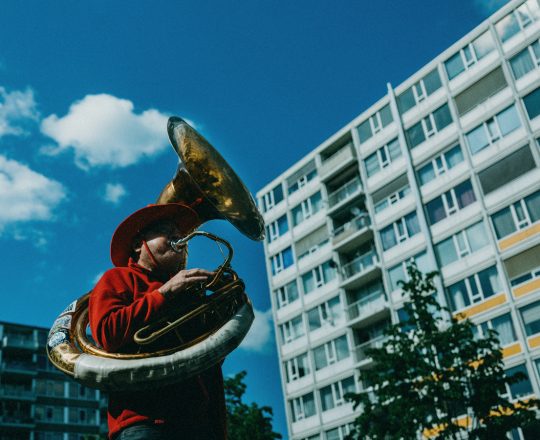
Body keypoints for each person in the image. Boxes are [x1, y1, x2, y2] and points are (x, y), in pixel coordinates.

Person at [89, 203, 227, 440]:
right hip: (145, 423)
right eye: (166, 230)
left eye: (182, 235)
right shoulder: (118, 278)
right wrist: (165, 293)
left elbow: (208, 359)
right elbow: (107, 333)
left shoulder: (190, 292)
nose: (180, 237)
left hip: (199, 425)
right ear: (137, 245)